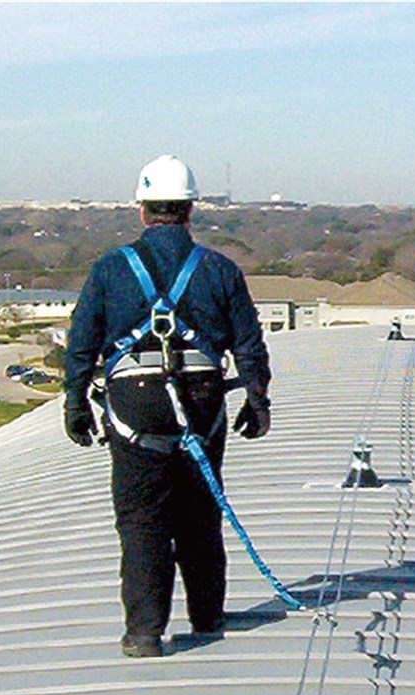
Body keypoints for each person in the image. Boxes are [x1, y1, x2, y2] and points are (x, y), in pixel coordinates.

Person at [63, 155, 271, 658]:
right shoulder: (219, 269)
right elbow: (248, 342)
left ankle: (145, 632)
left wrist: (75, 403)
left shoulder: (111, 269)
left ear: (142, 211)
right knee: (200, 514)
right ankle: (207, 616)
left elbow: (82, 343)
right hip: (202, 400)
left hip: (135, 405)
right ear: (190, 208)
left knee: (142, 519)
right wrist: (256, 398)